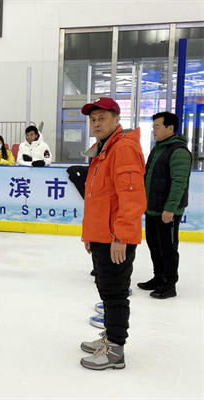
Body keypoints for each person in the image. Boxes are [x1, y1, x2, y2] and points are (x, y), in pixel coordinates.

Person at [78, 97, 146, 370]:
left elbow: (131, 197)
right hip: (102, 235)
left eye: (102, 118)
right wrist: (90, 235)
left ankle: (115, 350)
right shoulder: (104, 148)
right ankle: (110, 337)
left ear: (117, 119)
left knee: (115, 294)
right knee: (106, 290)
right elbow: (98, 197)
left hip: (115, 238)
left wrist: (121, 237)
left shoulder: (124, 147)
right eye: (93, 119)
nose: (96, 123)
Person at [138, 112, 191, 299]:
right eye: (153, 126)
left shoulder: (179, 151)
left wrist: (170, 208)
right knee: (154, 245)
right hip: (153, 208)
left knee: (168, 248)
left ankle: (169, 284)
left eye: (157, 126)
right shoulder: (158, 149)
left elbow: (179, 183)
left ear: (170, 128)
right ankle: (158, 277)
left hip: (167, 211)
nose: (153, 130)